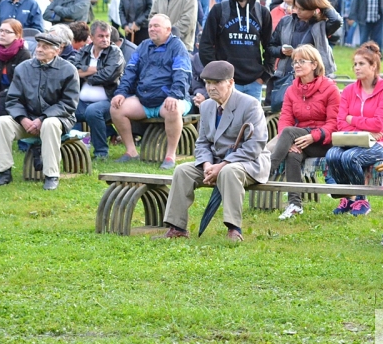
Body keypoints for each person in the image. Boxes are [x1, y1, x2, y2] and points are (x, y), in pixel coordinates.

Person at [158, 61, 271, 241]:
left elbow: (255, 145)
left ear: (231, 82)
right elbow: (202, 142)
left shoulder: (250, 104)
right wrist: (207, 164)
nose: (211, 88)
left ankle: (234, 230)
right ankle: (177, 228)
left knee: (229, 171)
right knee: (182, 171)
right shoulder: (206, 106)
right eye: (208, 83)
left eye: (216, 83)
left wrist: (223, 165)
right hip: (215, 162)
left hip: (248, 163)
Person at [0, 32, 80, 191]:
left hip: (58, 119)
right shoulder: (23, 68)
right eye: (38, 45)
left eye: (45, 47)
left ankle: (51, 175)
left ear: (57, 51)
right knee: (2, 122)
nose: (39, 49)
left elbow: (69, 103)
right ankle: (4, 173)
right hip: (27, 119)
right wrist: (23, 119)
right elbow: (13, 100)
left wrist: (43, 118)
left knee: (50, 124)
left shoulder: (68, 70)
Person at [111, 14, 192, 169]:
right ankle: (131, 151)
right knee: (116, 107)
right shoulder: (143, 46)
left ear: (168, 29)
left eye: (156, 26)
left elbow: (182, 73)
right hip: (145, 98)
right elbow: (130, 72)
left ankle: (170, 155)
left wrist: (174, 95)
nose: (152, 29)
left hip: (172, 97)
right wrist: (121, 93)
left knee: (173, 109)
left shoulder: (177, 46)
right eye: (150, 26)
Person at [325, 42, 383, 217]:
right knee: (332, 155)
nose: (356, 68)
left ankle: (361, 199)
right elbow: (341, 122)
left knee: (351, 157)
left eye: (361, 64)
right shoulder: (349, 90)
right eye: (355, 64)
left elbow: (379, 125)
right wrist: (363, 129)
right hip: (352, 140)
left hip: (382, 141)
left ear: (373, 66)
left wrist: (353, 120)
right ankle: (348, 198)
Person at [271, 45, 341, 220]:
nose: (296, 65)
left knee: (288, 132)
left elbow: (334, 123)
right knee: (293, 155)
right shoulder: (291, 90)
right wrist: (291, 144)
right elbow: (285, 119)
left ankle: (267, 170)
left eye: (302, 61)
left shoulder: (330, 88)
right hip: (301, 137)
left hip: (325, 141)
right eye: (295, 62)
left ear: (314, 64)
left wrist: (313, 136)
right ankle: (295, 204)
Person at [199, 0, 273, 101]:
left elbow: (270, 47)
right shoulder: (219, 10)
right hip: (225, 82)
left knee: (252, 121)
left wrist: (264, 76)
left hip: (254, 83)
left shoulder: (262, 13)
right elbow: (205, 45)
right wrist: (217, 75)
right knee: (227, 120)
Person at [73, 21, 125, 160]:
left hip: (109, 99)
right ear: (92, 37)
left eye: (107, 36)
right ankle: (76, 147)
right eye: (101, 36)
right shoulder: (84, 51)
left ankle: (101, 152)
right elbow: (72, 71)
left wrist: (85, 76)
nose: (105, 39)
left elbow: (108, 75)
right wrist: (97, 69)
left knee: (93, 111)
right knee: (66, 107)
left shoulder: (115, 53)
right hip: (82, 99)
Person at [269, 0, 341, 80]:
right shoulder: (285, 22)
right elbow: (270, 47)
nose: (297, 11)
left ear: (314, 7)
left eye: (302, 9)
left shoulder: (321, 25)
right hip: (286, 75)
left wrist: (321, 2)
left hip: (314, 77)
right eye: (296, 7)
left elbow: (336, 20)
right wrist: (281, 51)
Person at [0, 18, 31, 118]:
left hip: (14, 95)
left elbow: (21, 84)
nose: (2, 34)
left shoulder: (24, 54)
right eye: (1, 30)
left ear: (17, 35)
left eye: (7, 32)